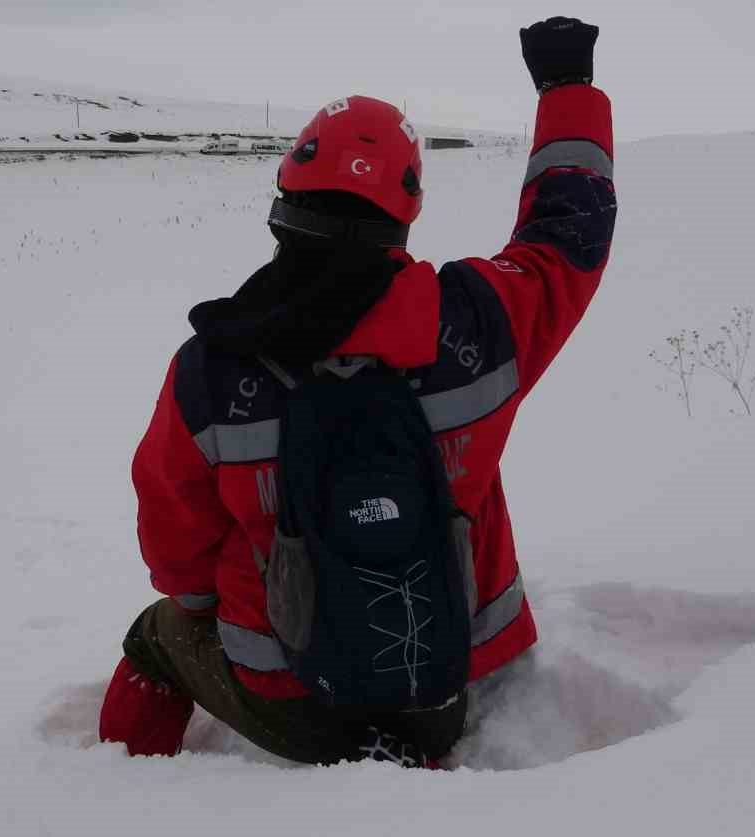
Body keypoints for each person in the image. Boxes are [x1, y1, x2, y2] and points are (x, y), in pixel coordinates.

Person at [98, 17, 616, 767]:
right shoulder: (481, 322)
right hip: (444, 688)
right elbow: (572, 235)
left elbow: (173, 542)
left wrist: (209, 605)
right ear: (407, 206)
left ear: (286, 191)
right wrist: (567, 87)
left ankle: (115, 793)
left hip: (290, 706)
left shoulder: (209, 370)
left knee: (158, 634)